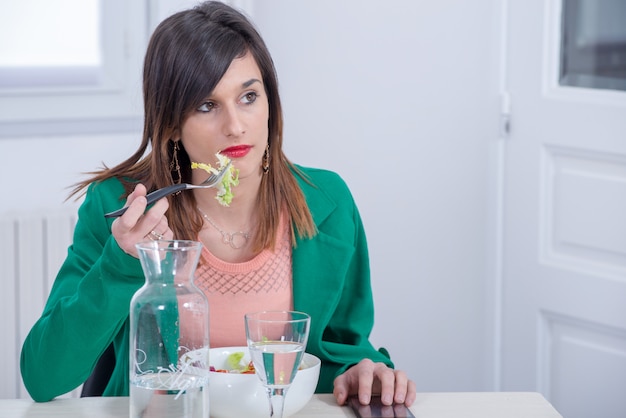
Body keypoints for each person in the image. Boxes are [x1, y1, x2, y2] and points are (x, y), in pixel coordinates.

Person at [20, 0, 416, 407]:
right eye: (207, 106)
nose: (235, 125)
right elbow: (43, 376)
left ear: (270, 102)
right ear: (171, 124)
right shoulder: (119, 206)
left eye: (248, 96)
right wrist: (121, 262)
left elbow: (343, 348)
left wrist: (365, 370)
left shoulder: (328, 202)